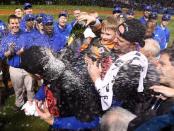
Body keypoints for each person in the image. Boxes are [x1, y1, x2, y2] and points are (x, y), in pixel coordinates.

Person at [86, 19, 159, 114]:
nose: (114, 40)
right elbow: (99, 34)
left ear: (134, 44)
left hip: (113, 117)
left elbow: (111, 100)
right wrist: (94, 22)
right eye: (116, 35)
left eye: (120, 40)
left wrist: (96, 78)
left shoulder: (134, 67)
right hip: (95, 106)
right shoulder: (118, 50)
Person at [0, 15, 35, 112]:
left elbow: (32, 48)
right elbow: (2, 55)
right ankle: (19, 104)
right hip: (15, 68)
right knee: (18, 89)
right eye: (12, 23)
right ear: (9, 24)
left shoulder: (26, 35)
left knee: (30, 88)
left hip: (28, 67)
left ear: (19, 23)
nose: (15, 25)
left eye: (17, 23)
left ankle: (31, 104)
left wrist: (25, 50)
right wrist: (9, 52)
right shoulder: (5, 39)